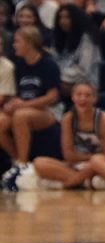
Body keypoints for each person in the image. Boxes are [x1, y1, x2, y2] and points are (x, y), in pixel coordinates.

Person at [32, 81, 105, 189]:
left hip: (97, 167)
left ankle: (71, 183)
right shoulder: (68, 119)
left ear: (95, 99)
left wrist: (90, 160)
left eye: (88, 95)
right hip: (75, 165)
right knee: (39, 163)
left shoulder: (104, 119)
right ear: (73, 97)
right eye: (79, 95)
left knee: (97, 162)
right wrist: (85, 159)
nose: (83, 99)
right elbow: (68, 155)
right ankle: (82, 181)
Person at [0, 27, 61, 167]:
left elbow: (53, 97)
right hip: (24, 107)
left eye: (17, 41)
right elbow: (16, 94)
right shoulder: (19, 65)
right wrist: (11, 104)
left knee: (21, 116)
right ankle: (16, 161)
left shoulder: (48, 64)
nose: (14, 45)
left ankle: (23, 162)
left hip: (49, 111)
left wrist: (24, 105)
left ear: (29, 42)